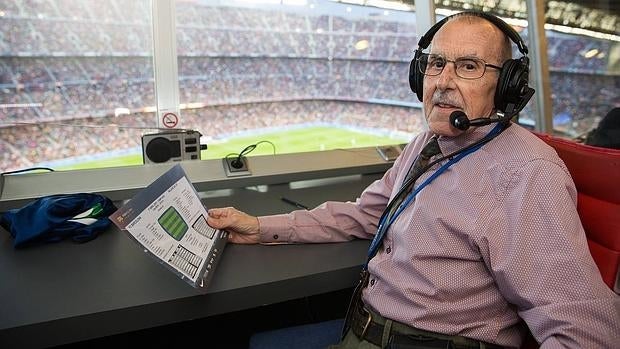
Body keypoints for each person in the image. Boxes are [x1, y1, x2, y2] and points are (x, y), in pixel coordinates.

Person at [207, 11, 620, 349]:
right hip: (365, 327)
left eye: (469, 66)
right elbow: (365, 214)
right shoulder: (428, 142)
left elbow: (584, 333)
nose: (443, 80)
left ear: (508, 86)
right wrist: (261, 227)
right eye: (436, 63)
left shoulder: (525, 172)